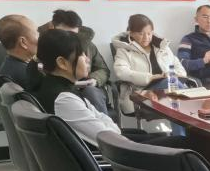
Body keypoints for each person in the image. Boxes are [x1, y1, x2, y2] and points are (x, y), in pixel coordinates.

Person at [27, 30, 183, 149]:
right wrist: (113, 129)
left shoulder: (58, 87)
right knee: (181, 143)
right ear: (62, 63)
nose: (87, 59)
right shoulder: (64, 99)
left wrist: (112, 128)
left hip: (114, 148)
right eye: (82, 54)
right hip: (119, 159)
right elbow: (107, 137)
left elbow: (100, 119)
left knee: (148, 135)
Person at [41, 10, 112, 115]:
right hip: (59, 88)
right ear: (53, 28)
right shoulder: (44, 45)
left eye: (73, 34)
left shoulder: (88, 45)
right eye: (63, 33)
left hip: (87, 87)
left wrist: (94, 79)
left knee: (91, 92)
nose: (68, 38)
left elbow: (102, 69)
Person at [112, 14, 187, 113]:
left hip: (169, 89)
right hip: (141, 91)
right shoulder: (124, 50)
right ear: (131, 33)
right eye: (141, 34)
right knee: (176, 94)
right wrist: (150, 78)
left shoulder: (162, 47)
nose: (146, 37)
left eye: (149, 33)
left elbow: (180, 69)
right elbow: (121, 72)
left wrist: (171, 74)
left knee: (173, 89)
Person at [0, 14, 39, 86]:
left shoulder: (9, 65)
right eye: (37, 33)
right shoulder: (29, 76)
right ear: (23, 42)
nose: (41, 38)